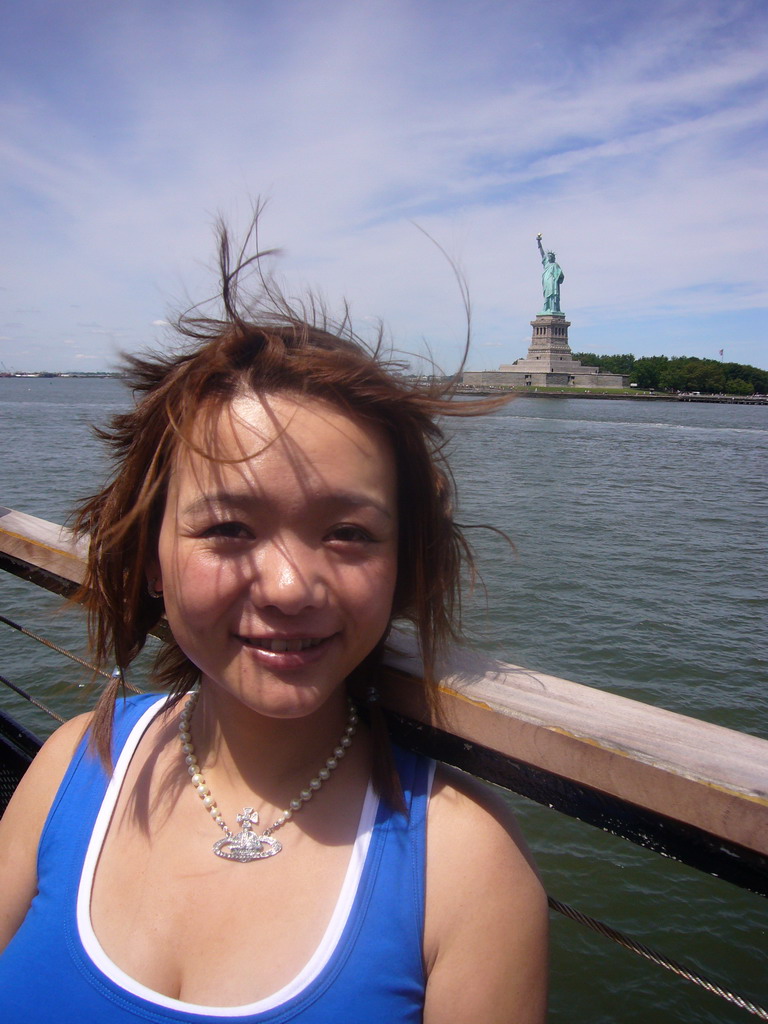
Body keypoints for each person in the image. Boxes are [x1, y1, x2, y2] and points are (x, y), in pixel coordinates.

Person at [0, 221, 548, 1022]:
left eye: (349, 533)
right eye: (228, 528)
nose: (291, 586)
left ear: (402, 567)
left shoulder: (468, 868)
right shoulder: (71, 767)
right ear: (152, 556)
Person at [536, 234, 564, 315]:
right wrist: (538, 242)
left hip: (553, 282)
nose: (550, 257)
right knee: (547, 295)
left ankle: (554, 308)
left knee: (554, 295)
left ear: (553, 258)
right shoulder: (546, 263)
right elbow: (541, 252)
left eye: (551, 256)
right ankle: (546, 308)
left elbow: (561, 275)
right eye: (549, 256)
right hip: (546, 280)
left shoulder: (556, 265)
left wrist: (557, 277)